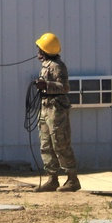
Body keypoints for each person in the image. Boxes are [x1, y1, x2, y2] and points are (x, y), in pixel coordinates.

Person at [33, 32, 81, 192]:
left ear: (45, 51)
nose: (38, 53)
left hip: (56, 110)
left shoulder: (57, 66)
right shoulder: (46, 65)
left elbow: (65, 87)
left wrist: (46, 86)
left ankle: (72, 179)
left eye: (40, 49)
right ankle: (52, 179)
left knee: (61, 143)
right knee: (46, 144)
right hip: (45, 108)